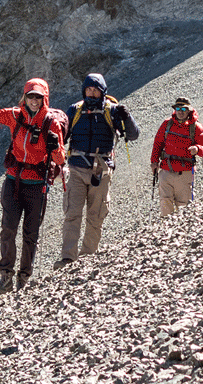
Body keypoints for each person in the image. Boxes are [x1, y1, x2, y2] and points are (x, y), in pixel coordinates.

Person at [0, 71, 67, 294]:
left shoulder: (51, 124)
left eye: (38, 98)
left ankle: (23, 278)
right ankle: (6, 277)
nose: (34, 101)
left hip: (37, 185)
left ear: (45, 99)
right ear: (24, 97)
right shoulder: (14, 115)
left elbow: (61, 159)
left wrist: (54, 146)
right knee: (8, 228)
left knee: (30, 234)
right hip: (13, 181)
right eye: (30, 97)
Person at [56, 73, 140, 268]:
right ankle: (67, 258)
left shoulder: (113, 111)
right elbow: (61, 137)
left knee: (96, 215)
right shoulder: (74, 110)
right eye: (88, 90)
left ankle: (87, 258)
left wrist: (126, 116)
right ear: (84, 91)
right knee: (72, 214)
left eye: (95, 90)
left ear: (103, 92)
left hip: (101, 170)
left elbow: (133, 135)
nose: (91, 94)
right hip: (76, 169)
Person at [150, 96, 203, 217]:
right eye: (178, 108)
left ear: (189, 110)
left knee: (184, 206)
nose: (180, 112)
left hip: (185, 172)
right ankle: (165, 231)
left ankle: (183, 233)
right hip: (166, 170)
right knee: (165, 203)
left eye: (183, 109)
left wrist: (197, 149)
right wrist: (154, 162)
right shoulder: (167, 124)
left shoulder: (195, 127)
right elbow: (157, 144)